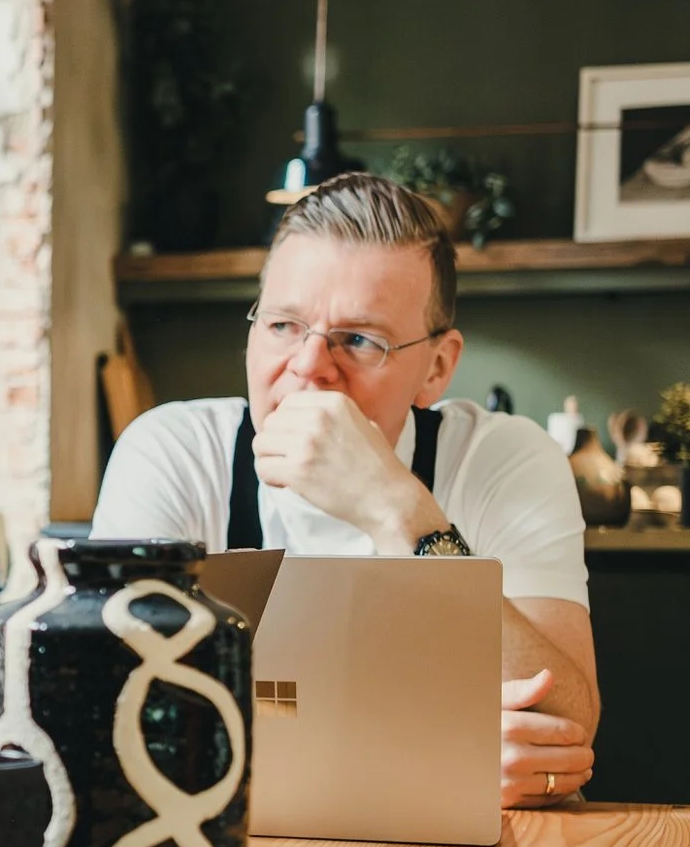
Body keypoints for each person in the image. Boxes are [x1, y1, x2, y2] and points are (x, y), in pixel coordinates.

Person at [91, 173, 596, 808]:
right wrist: (428, 763)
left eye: (359, 340)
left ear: (436, 368)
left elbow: (568, 720)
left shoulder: (504, 461)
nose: (308, 366)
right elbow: (108, 715)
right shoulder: (174, 454)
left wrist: (397, 508)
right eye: (282, 326)